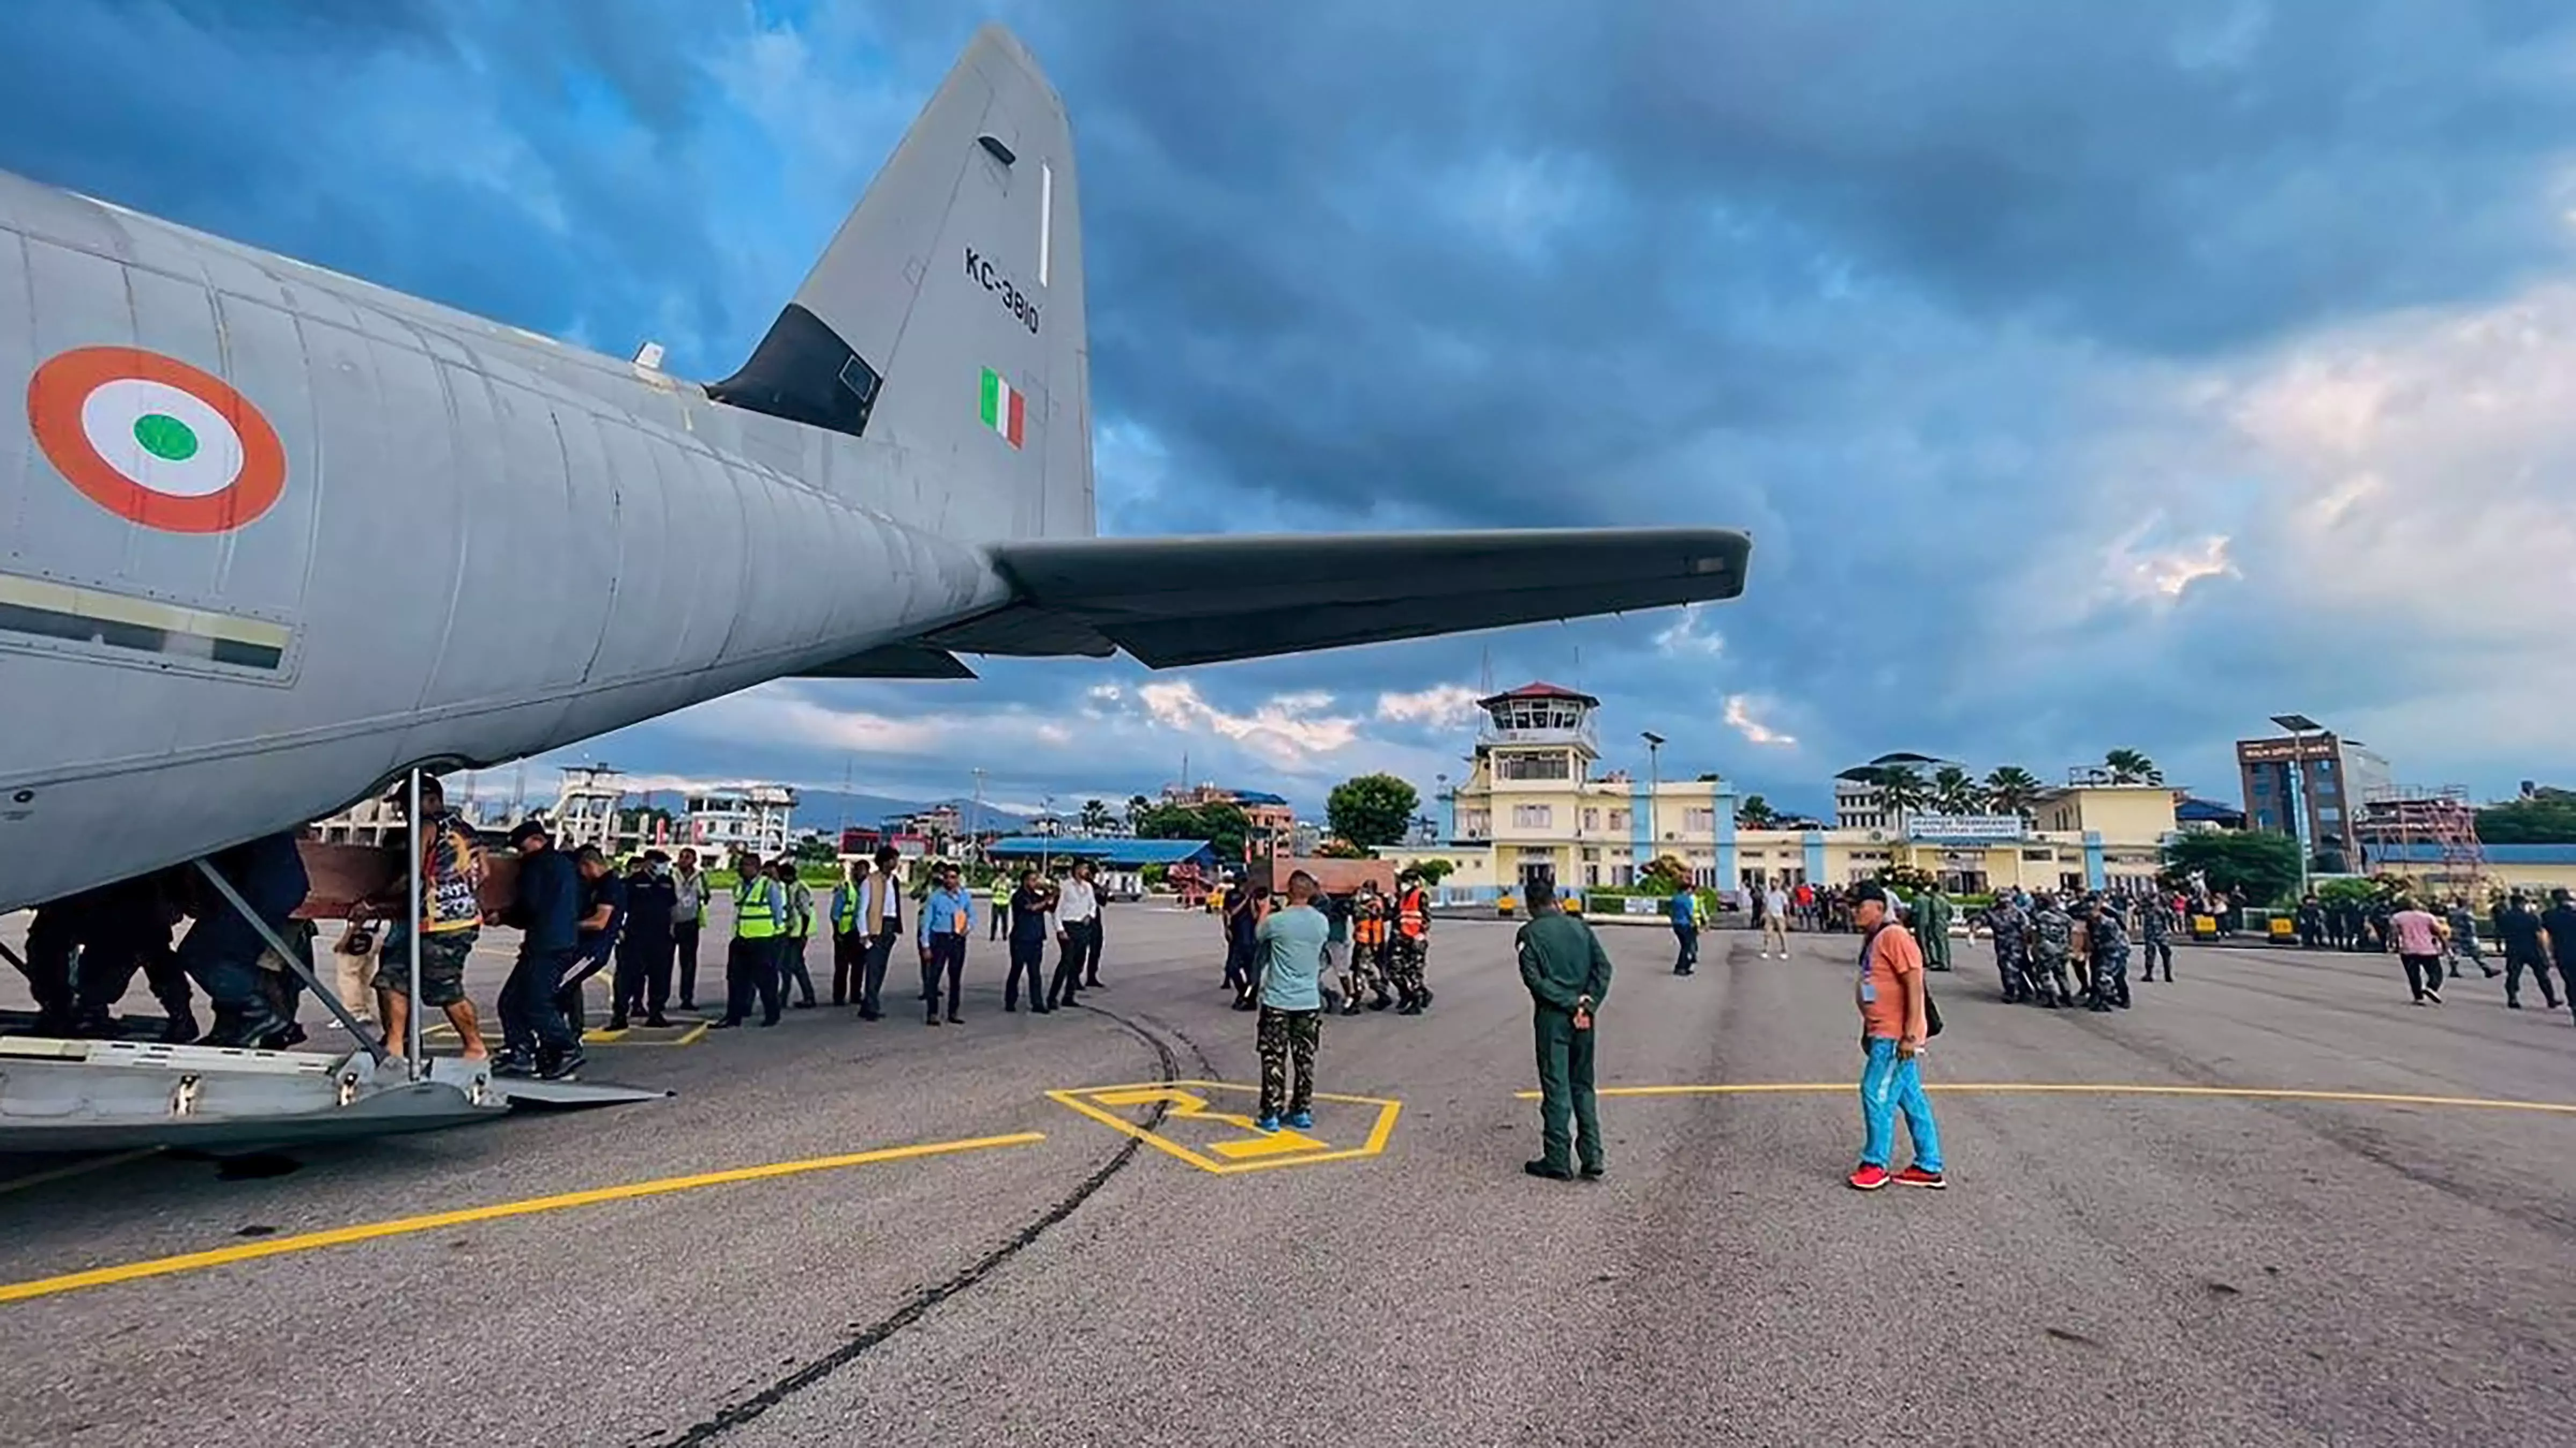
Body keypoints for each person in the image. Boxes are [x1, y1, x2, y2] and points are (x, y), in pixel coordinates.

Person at [376, 777, 489, 1060]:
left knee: (445, 988)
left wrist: (377, 898)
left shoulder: (427, 826)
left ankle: (475, 1047)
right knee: (392, 978)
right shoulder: (469, 830)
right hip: (454, 919)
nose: (402, 812)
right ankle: (394, 1047)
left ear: (425, 800)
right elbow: (484, 872)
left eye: (404, 805)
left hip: (443, 923)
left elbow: (412, 874)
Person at [1847, 881, 1943, 1191]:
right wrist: (1868, 1029)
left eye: (1860, 906)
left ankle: (1875, 1163)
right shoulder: (1875, 938)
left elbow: (1914, 984)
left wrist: (1911, 1034)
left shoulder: (1894, 936)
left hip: (1896, 1035)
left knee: (1875, 1092)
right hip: (1883, 1032)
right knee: (1911, 1098)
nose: (1854, 912)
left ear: (1878, 906)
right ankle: (1929, 1164)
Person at [1517, 868, 1612, 1181]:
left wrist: (1570, 1003)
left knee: (1557, 1085)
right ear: (1555, 899)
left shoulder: (1529, 935)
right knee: (1583, 1084)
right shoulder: (1580, 928)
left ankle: (1558, 1157)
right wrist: (1588, 1003)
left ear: (1530, 904)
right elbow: (1604, 968)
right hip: (1585, 1015)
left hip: (1554, 1016)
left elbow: (1535, 981)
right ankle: (1592, 1155)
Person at [495, 820, 584, 1078]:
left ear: (536, 840)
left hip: (545, 943)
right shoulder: (566, 865)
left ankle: (564, 1048)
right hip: (563, 940)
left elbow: (529, 905)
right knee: (513, 1000)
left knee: (534, 1002)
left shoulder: (535, 866)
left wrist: (503, 917)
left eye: (521, 847)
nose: (520, 854)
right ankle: (522, 1050)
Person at [1252, 870, 1331, 1133]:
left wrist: (1264, 908)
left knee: (1274, 1058)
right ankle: (1302, 1111)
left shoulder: (1278, 921)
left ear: (1288, 892)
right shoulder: (1321, 922)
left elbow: (1259, 935)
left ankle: (1271, 1113)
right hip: (1309, 1001)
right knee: (1305, 1058)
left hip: (1278, 1000)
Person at [555, 845, 626, 1033]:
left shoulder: (609, 885)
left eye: (581, 870)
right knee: (570, 988)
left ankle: (556, 1034)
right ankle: (572, 1032)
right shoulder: (597, 885)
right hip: (583, 947)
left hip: (593, 951)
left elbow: (600, 922)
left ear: (588, 865)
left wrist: (566, 925)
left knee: (557, 986)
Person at [711, 850, 784, 1030]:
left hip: (763, 940)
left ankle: (772, 1014)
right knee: (735, 980)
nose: (742, 869)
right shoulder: (739, 886)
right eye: (742, 865)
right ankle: (733, 1016)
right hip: (741, 939)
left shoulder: (768, 886)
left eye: (747, 865)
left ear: (756, 868)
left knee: (765, 980)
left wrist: (775, 936)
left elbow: (777, 913)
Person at [612, 851, 678, 1029]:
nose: (664, 866)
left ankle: (656, 1013)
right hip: (635, 936)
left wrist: (672, 931)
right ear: (649, 862)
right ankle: (620, 1015)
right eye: (661, 862)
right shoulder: (631, 882)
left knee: (660, 976)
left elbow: (672, 908)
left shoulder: (667, 883)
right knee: (627, 977)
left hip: (661, 937)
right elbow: (618, 908)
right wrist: (618, 930)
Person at [854, 846, 906, 1020]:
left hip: (890, 925)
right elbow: (862, 910)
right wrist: (864, 932)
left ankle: (868, 1003)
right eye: (893, 860)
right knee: (874, 968)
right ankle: (871, 1007)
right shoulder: (870, 882)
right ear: (885, 861)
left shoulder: (894, 881)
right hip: (876, 926)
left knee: (881, 968)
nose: (896, 863)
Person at [918, 863, 973, 1025]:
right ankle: (932, 1012)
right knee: (934, 977)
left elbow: (972, 916)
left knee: (955, 978)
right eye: (947, 877)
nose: (950, 881)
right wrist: (926, 945)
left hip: (957, 939)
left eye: (953, 877)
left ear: (958, 879)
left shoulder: (964, 896)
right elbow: (926, 923)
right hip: (939, 939)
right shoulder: (935, 897)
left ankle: (953, 1012)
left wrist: (968, 927)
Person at [2498, 893, 2558, 1011]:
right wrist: (2545, 952)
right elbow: (2540, 935)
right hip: (2532, 948)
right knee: (2542, 975)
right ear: (2523, 904)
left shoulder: (2504, 917)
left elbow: (2500, 932)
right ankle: (2550, 999)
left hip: (2514, 949)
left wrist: (2500, 946)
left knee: (2513, 975)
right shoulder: (2531, 917)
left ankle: (2513, 998)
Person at [1053, 859, 1105, 996]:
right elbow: (1058, 909)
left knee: (1080, 959)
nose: (1087, 872)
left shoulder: (1089, 886)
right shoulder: (1065, 886)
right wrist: (1060, 929)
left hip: (1085, 926)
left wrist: (1090, 915)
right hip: (1069, 925)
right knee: (1067, 961)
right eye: (1084, 869)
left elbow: (1094, 904)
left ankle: (1070, 995)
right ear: (1077, 869)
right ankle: (1053, 995)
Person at [773, 859, 819, 1009]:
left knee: (793, 966)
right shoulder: (789, 887)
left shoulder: (800, 889)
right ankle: (804, 996)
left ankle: (802, 996)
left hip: (797, 933)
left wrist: (803, 933)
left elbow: (805, 913)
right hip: (792, 931)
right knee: (794, 965)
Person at [2387, 896, 2448, 1006]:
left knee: (2413, 974)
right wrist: (2445, 946)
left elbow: (2394, 933)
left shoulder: (2397, 917)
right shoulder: (2428, 917)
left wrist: (2394, 945)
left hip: (2408, 950)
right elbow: (2439, 932)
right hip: (2428, 949)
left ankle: (2418, 997)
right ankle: (2432, 987)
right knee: (2436, 972)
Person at [1006, 869, 1053, 1012]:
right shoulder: (1019, 896)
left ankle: (1037, 1003)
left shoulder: (1036, 895)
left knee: (1035, 972)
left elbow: (1049, 907)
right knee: (1017, 970)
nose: (1035, 883)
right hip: (1021, 938)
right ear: (1025, 881)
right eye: (1033, 880)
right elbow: (1032, 908)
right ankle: (1010, 1000)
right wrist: (1046, 900)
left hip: (1036, 938)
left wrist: (1049, 892)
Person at [1388, 870, 1434, 1013]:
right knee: (1394, 971)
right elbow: (1396, 916)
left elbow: (1426, 918)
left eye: (1406, 882)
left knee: (1413, 973)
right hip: (1401, 939)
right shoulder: (1402, 898)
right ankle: (1408, 994)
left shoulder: (1421, 896)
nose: (1403, 885)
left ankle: (1417, 1003)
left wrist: (1420, 935)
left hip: (1415, 940)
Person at [828, 861, 869, 1008]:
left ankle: (855, 995)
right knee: (842, 966)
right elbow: (835, 914)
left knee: (859, 966)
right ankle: (839, 997)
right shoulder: (845, 889)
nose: (861, 874)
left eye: (864, 871)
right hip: (845, 932)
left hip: (861, 933)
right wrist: (836, 932)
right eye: (858, 871)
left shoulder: (868, 889)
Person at [671, 848, 708, 1010]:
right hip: (671, 922)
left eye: (688, 857)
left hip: (691, 922)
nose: (684, 860)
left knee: (689, 963)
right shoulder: (671, 874)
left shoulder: (700, 876)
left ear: (694, 861)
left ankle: (687, 997)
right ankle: (660, 998)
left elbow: (706, 896)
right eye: (682, 857)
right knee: (665, 963)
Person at [1223, 877, 1263, 1011]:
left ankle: (1249, 998)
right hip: (1237, 937)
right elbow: (1231, 913)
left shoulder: (1254, 897)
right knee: (1233, 969)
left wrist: (1252, 900)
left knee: (1251, 973)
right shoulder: (1231, 895)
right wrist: (1227, 928)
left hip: (1251, 939)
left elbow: (1256, 916)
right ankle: (1244, 992)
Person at [1986, 894, 2031, 1003]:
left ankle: (2014, 992)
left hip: (2017, 945)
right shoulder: (1992, 913)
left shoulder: (2018, 913)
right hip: (2003, 945)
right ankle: (2017, 990)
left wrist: (2027, 944)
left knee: (2014, 968)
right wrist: (1972, 933)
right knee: (2006, 967)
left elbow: (2026, 928)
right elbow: (1980, 920)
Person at [2137, 892, 2175, 983]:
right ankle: (2149, 975)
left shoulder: (2162, 909)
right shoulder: (2147, 908)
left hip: (2160, 934)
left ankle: (2168, 974)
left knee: (2166, 954)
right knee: (2150, 954)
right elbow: (2137, 911)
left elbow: (2172, 917)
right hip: (2151, 935)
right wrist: (2143, 902)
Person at [1667, 884, 1699, 975]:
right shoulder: (1687, 900)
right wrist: (1695, 924)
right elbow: (1690, 913)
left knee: (1684, 945)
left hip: (1676, 924)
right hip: (1685, 924)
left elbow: (1670, 911)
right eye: (1690, 890)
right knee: (1687, 946)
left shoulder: (1675, 899)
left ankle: (1683, 965)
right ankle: (1682, 967)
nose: (1691, 891)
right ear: (1686, 890)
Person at [1762, 880, 1791, 958]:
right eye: (1771, 883)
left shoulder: (1782, 894)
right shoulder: (1767, 894)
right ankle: (1765, 950)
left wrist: (1788, 916)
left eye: (1774, 883)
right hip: (1770, 915)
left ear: (1777, 884)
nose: (1773, 885)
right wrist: (1763, 914)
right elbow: (1765, 904)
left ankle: (1784, 950)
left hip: (1779, 916)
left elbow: (1786, 906)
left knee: (1782, 933)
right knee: (1767, 933)